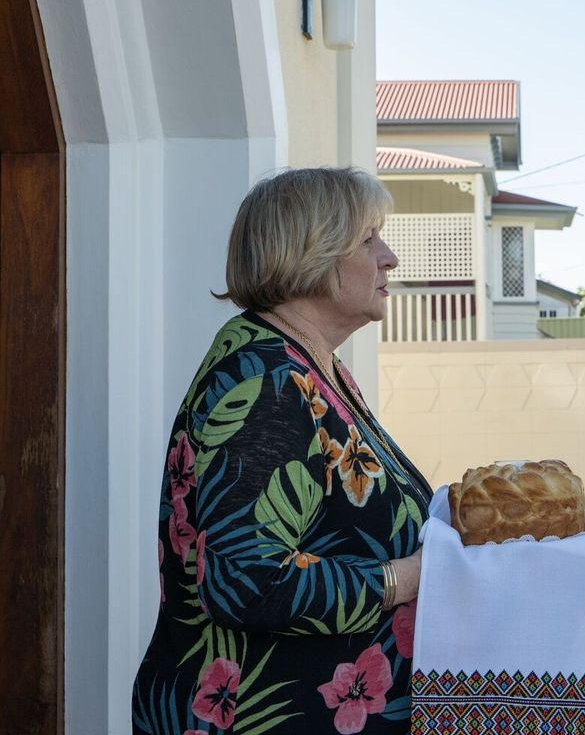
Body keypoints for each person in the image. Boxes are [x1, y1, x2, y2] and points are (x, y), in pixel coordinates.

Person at [133, 167, 433, 735]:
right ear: (312, 254)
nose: (389, 257)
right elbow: (249, 579)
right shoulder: (266, 383)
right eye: (368, 239)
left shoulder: (310, 366)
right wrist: (405, 579)